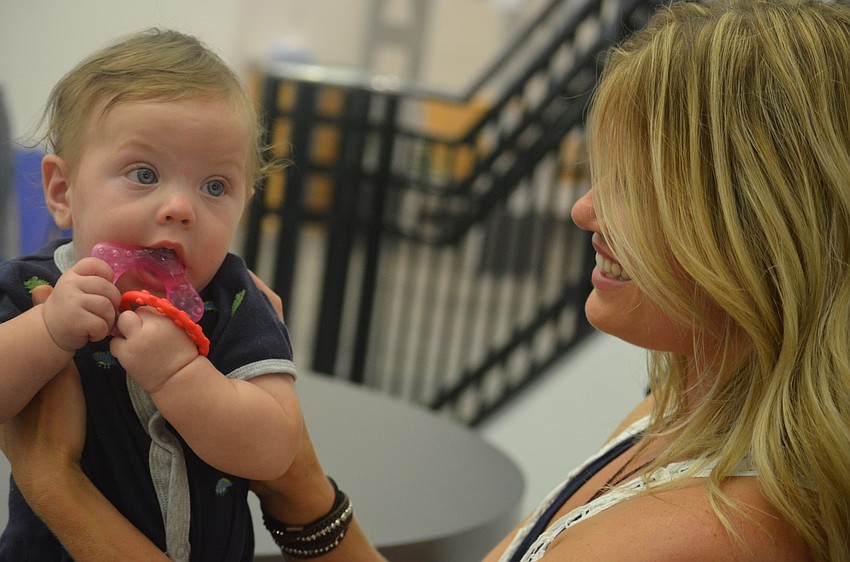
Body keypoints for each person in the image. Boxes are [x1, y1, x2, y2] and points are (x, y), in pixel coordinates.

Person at [4, 0, 850, 559]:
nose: (583, 209)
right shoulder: (673, 410)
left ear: (759, 228)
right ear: (61, 191)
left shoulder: (712, 532)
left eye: (636, 187)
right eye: (142, 176)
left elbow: (266, 443)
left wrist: (54, 483)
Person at [0, 29, 302, 561]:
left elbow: (275, 450)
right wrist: (47, 331)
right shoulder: (32, 288)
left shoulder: (235, 300)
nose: (180, 208)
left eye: (215, 186)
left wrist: (179, 375)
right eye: (144, 174)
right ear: (63, 191)